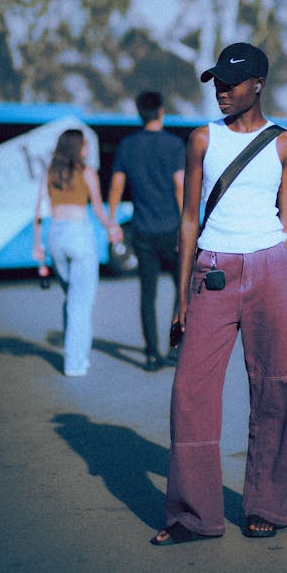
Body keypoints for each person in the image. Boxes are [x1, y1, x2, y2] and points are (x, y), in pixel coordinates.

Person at [151, 42, 287, 547]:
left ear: (259, 84)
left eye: (233, 82)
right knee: (190, 391)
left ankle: (266, 505)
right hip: (213, 272)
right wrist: (183, 295)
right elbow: (188, 220)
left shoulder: (286, 145)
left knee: (276, 388)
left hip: (271, 268)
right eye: (218, 83)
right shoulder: (202, 139)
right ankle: (194, 516)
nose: (222, 91)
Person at [108, 91, 185, 371]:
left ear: (140, 113)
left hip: (142, 231)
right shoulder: (175, 145)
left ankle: (152, 354)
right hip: (173, 230)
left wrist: (112, 222)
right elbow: (180, 187)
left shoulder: (128, 146)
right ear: (161, 112)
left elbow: (117, 185)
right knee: (183, 290)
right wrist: (187, 226)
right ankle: (176, 350)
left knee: (147, 293)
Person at [33, 129, 120, 377]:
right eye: (85, 145)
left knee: (72, 297)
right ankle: (74, 361)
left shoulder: (50, 172)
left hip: (55, 236)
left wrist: (37, 244)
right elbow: (98, 208)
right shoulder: (87, 171)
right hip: (79, 234)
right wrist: (112, 228)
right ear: (77, 147)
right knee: (80, 302)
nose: (89, 149)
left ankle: (76, 349)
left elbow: (38, 211)